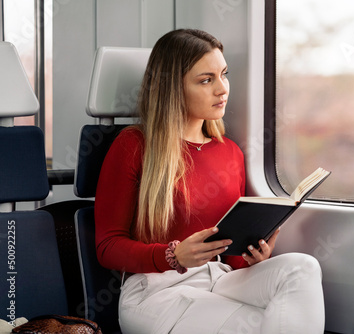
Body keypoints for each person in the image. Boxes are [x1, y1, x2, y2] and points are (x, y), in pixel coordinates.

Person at [95, 28, 325, 333]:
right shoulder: (134, 145)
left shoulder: (230, 152)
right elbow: (107, 247)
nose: (222, 89)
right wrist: (172, 255)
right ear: (172, 88)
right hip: (156, 291)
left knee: (302, 267)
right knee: (257, 324)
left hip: (219, 276)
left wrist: (252, 256)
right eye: (206, 80)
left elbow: (231, 253)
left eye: (224, 75)